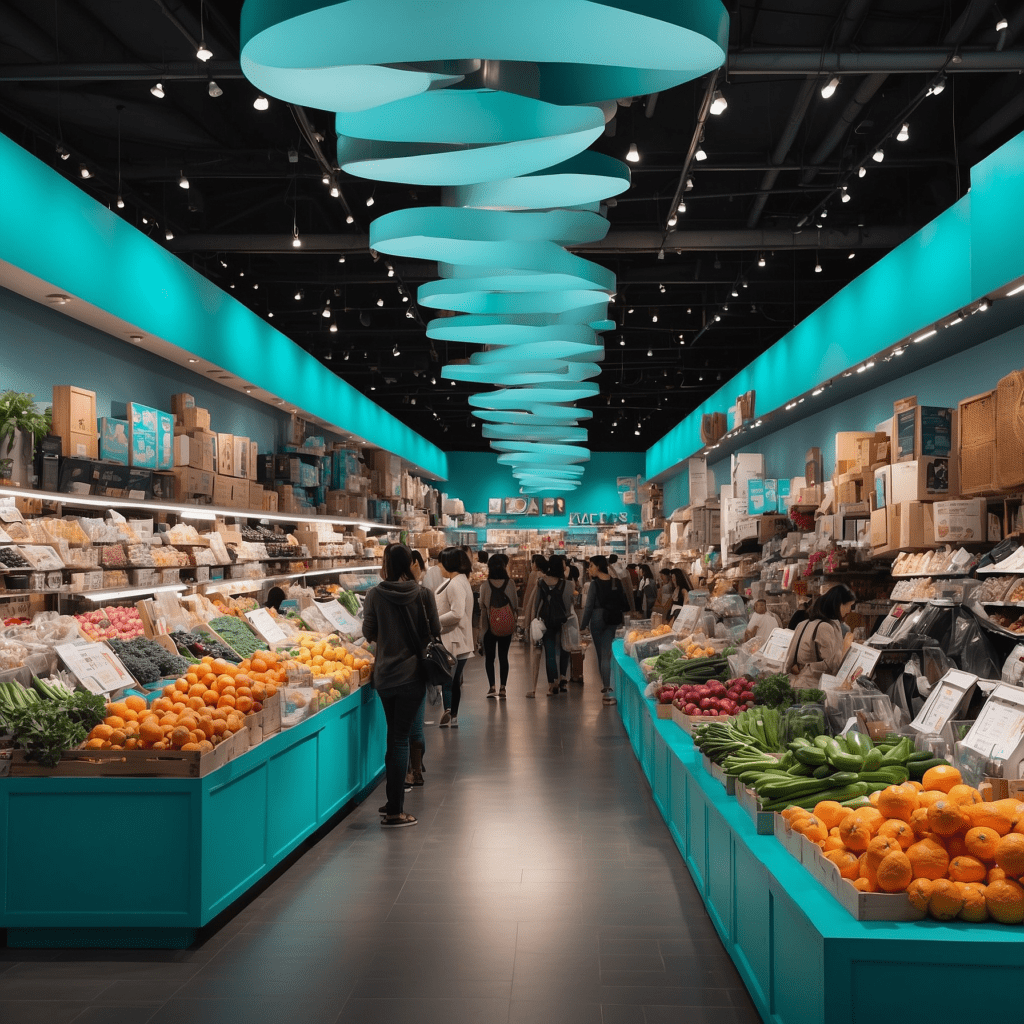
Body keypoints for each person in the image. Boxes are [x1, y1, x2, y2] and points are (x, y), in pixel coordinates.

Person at [361, 543, 439, 828]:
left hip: (384, 677)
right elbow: (435, 632)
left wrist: (388, 636)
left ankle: (392, 801)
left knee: (393, 735)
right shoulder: (423, 595)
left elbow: (368, 632)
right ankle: (395, 810)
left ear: (386, 564)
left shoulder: (374, 595)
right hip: (412, 676)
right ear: (410, 563)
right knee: (400, 738)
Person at [783, 585, 857, 685]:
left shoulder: (803, 624)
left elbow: (790, 659)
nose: (849, 610)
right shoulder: (825, 627)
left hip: (796, 682)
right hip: (812, 685)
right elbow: (833, 665)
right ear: (839, 604)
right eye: (849, 605)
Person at [434, 546, 475, 727]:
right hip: (459, 639)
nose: (438, 565)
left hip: (454, 639)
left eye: (441, 561)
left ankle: (449, 711)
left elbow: (457, 613)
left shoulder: (456, 583)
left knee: (448, 679)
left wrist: (435, 621)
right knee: (453, 679)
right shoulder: (458, 580)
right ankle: (453, 715)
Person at [525, 554, 575, 696]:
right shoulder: (567, 584)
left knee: (550, 654)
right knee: (564, 649)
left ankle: (552, 684)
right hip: (562, 621)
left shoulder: (541, 582)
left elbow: (536, 604)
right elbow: (568, 604)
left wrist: (533, 622)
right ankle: (563, 678)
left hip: (546, 621)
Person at [580, 555, 626, 706]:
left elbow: (588, 607)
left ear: (598, 567)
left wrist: (583, 625)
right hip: (613, 619)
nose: (589, 569)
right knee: (608, 653)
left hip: (598, 618)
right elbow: (624, 603)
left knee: (602, 657)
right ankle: (611, 690)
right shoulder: (616, 582)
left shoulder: (594, 584)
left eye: (591, 566)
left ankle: (606, 692)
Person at [477, 553, 518, 698]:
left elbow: (482, 605)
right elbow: (515, 605)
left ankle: (492, 687)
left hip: (489, 626)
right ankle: (503, 688)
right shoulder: (511, 583)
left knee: (490, 658)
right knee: (503, 656)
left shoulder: (485, 585)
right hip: (506, 625)